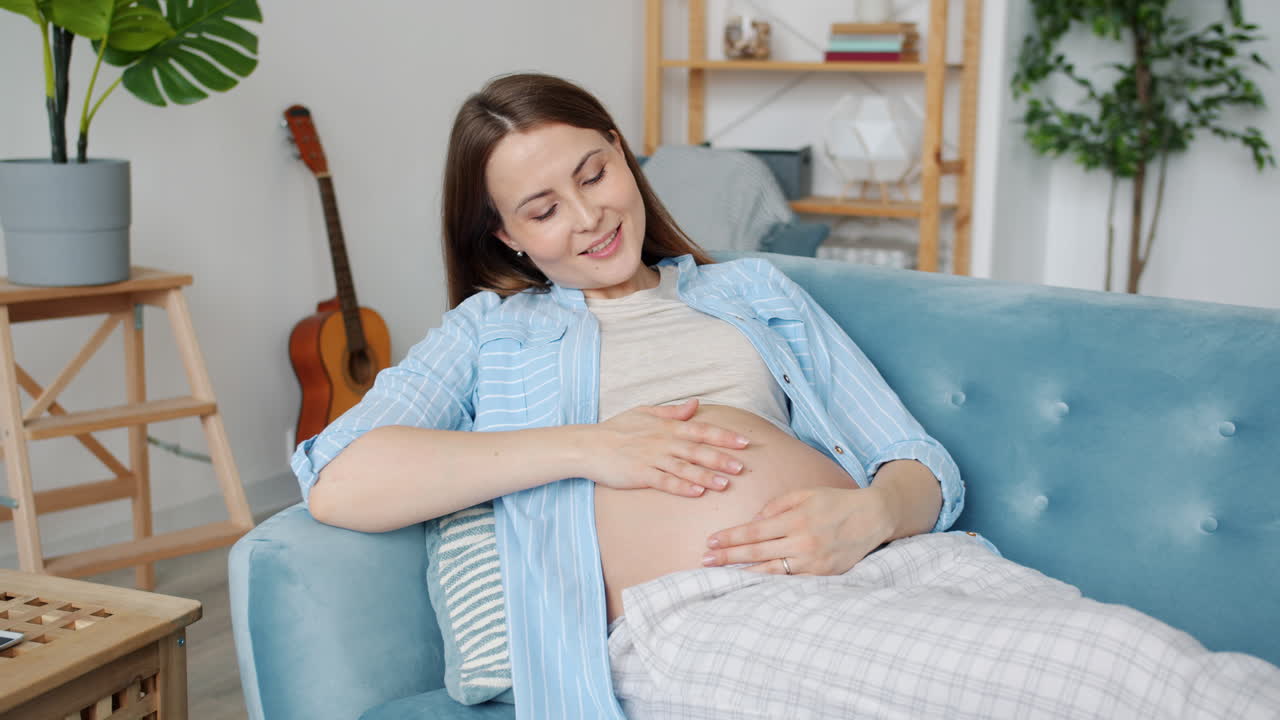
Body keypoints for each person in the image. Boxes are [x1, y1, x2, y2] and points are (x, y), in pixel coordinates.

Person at [293, 73, 1280, 719]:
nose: (588, 216)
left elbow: (916, 464)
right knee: (1099, 680)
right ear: (507, 238)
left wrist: (866, 514)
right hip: (704, 615)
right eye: (543, 210)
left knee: (1135, 651)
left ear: (619, 152)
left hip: (888, 566)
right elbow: (339, 479)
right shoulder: (487, 334)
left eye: (594, 173)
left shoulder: (750, 291)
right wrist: (590, 448)